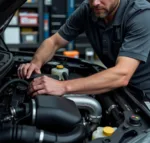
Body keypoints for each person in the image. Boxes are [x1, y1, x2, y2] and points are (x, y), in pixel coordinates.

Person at [18, 0, 150, 98]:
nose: (95, 3)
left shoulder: (141, 15)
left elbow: (122, 74)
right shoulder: (88, 9)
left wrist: (63, 86)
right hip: (119, 88)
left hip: (145, 94)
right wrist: (36, 63)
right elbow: (54, 41)